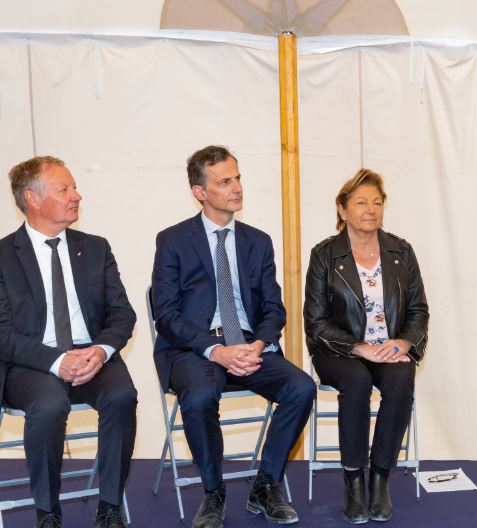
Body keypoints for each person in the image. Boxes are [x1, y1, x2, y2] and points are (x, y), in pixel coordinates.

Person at [151, 145, 315, 528]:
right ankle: (213, 491)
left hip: (248, 344)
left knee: (301, 387)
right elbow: (167, 316)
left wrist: (258, 344)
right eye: (225, 181)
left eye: (238, 177)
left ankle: (266, 483)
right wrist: (216, 350)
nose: (237, 187)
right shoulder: (173, 240)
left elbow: (274, 308)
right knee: (202, 394)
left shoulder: (257, 241)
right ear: (200, 191)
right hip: (195, 348)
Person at [0, 156, 137, 528]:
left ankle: (110, 508)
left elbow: (122, 313)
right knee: (48, 404)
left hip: (91, 354)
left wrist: (100, 350)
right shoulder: (2, 257)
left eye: (74, 186)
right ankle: (47, 513)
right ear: (33, 198)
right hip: (32, 362)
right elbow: (2, 335)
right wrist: (56, 362)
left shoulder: (95, 248)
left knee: (122, 395)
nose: (77, 195)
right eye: (65, 189)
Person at [304, 168, 429, 524]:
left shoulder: (400, 252)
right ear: (342, 210)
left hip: (388, 348)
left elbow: (419, 310)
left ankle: (380, 479)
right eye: (361, 202)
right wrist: (358, 347)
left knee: (402, 377)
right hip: (339, 351)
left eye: (377, 202)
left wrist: (403, 341)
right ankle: (354, 481)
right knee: (356, 381)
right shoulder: (324, 255)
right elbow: (315, 323)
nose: (370, 209)